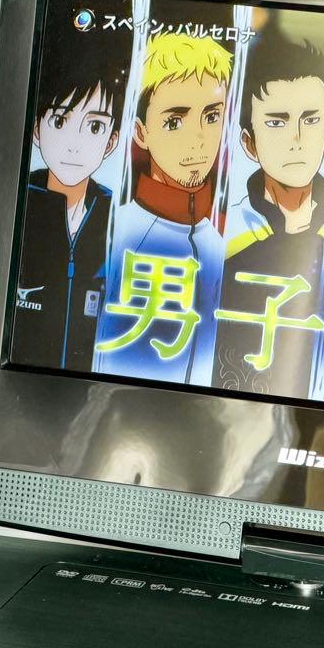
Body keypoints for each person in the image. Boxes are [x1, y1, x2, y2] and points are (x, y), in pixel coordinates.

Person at [96, 33, 232, 386]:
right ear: (141, 132)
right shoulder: (114, 231)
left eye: (212, 116)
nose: (199, 138)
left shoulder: (226, 241)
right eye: (174, 122)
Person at [215, 31, 324, 397]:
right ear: (249, 142)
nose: (297, 139)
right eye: (276, 122)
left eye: (311, 120)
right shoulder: (222, 234)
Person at [11, 35, 125, 371]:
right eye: (60, 121)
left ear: (111, 141)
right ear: (37, 129)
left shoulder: (118, 216)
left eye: (94, 127)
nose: (74, 145)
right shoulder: (18, 204)